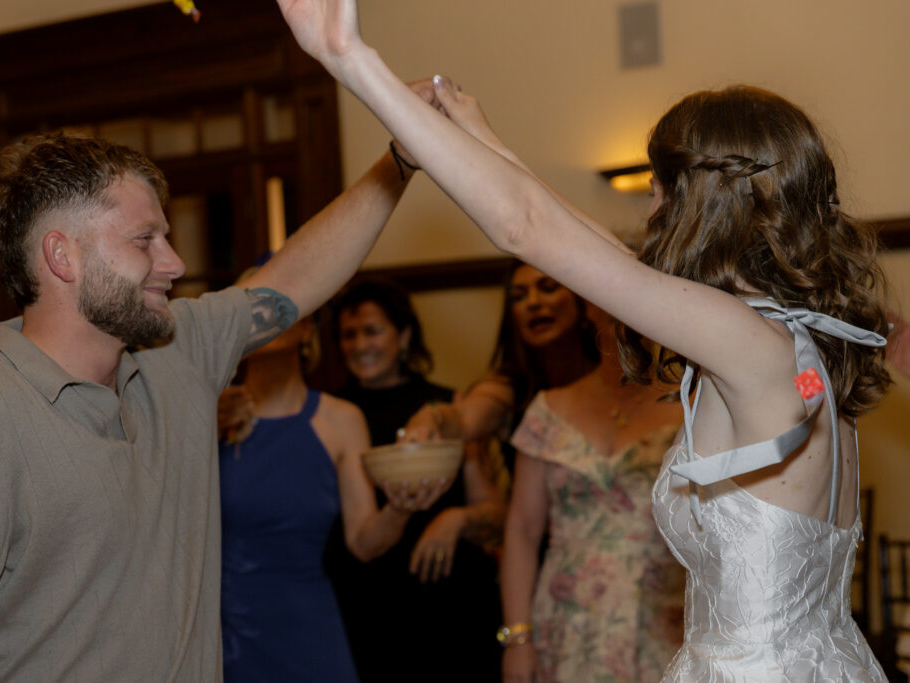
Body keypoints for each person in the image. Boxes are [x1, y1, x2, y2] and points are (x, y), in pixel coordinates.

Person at [274, 3, 890, 678]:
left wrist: (349, 58)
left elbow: (527, 230)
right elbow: (589, 249)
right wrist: (485, 138)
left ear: (705, 205)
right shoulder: (795, 339)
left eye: (659, 191)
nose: (649, 210)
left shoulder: (746, 340)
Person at [0, 119, 429, 681]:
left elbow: (295, 278)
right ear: (62, 256)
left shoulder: (176, 348)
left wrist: (399, 160)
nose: (175, 263)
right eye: (145, 240)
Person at [217, 303, 447, 682]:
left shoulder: (341, 419)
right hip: (219, 629)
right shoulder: (205, 413)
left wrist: (400, 508)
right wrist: (203, 428)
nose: (260, 318)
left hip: (307, 624)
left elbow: (364, 542)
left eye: (272, 304)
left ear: (307, 327)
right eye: (247, 307)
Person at [323, 278, 506, 682]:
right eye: (347, 335)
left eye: (372, 330)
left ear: (404, 335)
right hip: (368, 603)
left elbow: (497, 515)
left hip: (451, 603)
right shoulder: (331, 413)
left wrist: (457, 520)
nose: (358, 344)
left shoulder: (449, 407)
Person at [500, 306, 684, 682]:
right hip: (566, 624)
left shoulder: (691, 407)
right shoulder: (547, 410)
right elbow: (521, 529)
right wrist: (517, 638)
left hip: (662, 617)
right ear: (585, 306)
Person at [401, 261, 598, 473]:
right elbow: (463, 419)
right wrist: (432, 418)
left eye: (548, 288)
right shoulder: (510, 386)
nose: (532, 302)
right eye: (518, 297)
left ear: (584, 301)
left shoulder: (615, 375)